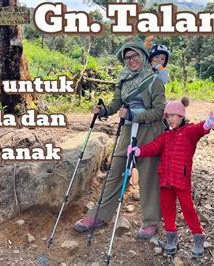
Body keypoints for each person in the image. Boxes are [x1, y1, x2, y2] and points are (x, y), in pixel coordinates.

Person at [73, 36, 166, 240]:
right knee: (114, 173)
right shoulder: (123, 79)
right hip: (126, 132)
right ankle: (99, 216)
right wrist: (104, 110)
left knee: (149, 177)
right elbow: (117, 103)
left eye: (134, 56)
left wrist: (135, 115)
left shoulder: (154, 81)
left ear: (142, 55)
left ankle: (150, 222)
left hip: (150, 132)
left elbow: (159, 111)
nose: (131, 60)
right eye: (127, 58)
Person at [128, 97, 214, 258]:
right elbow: (154, 147)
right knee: (167, 208)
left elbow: (200, 129)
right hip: (165, 179)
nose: (170, 119)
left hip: (181, 180)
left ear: (181, 116)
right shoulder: (165, 136)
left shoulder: (188, 131)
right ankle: (171, 237)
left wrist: (208, 123)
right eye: (168, 116)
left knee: (187, 208)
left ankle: (198, 236)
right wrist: (138, 150)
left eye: (173, 116)